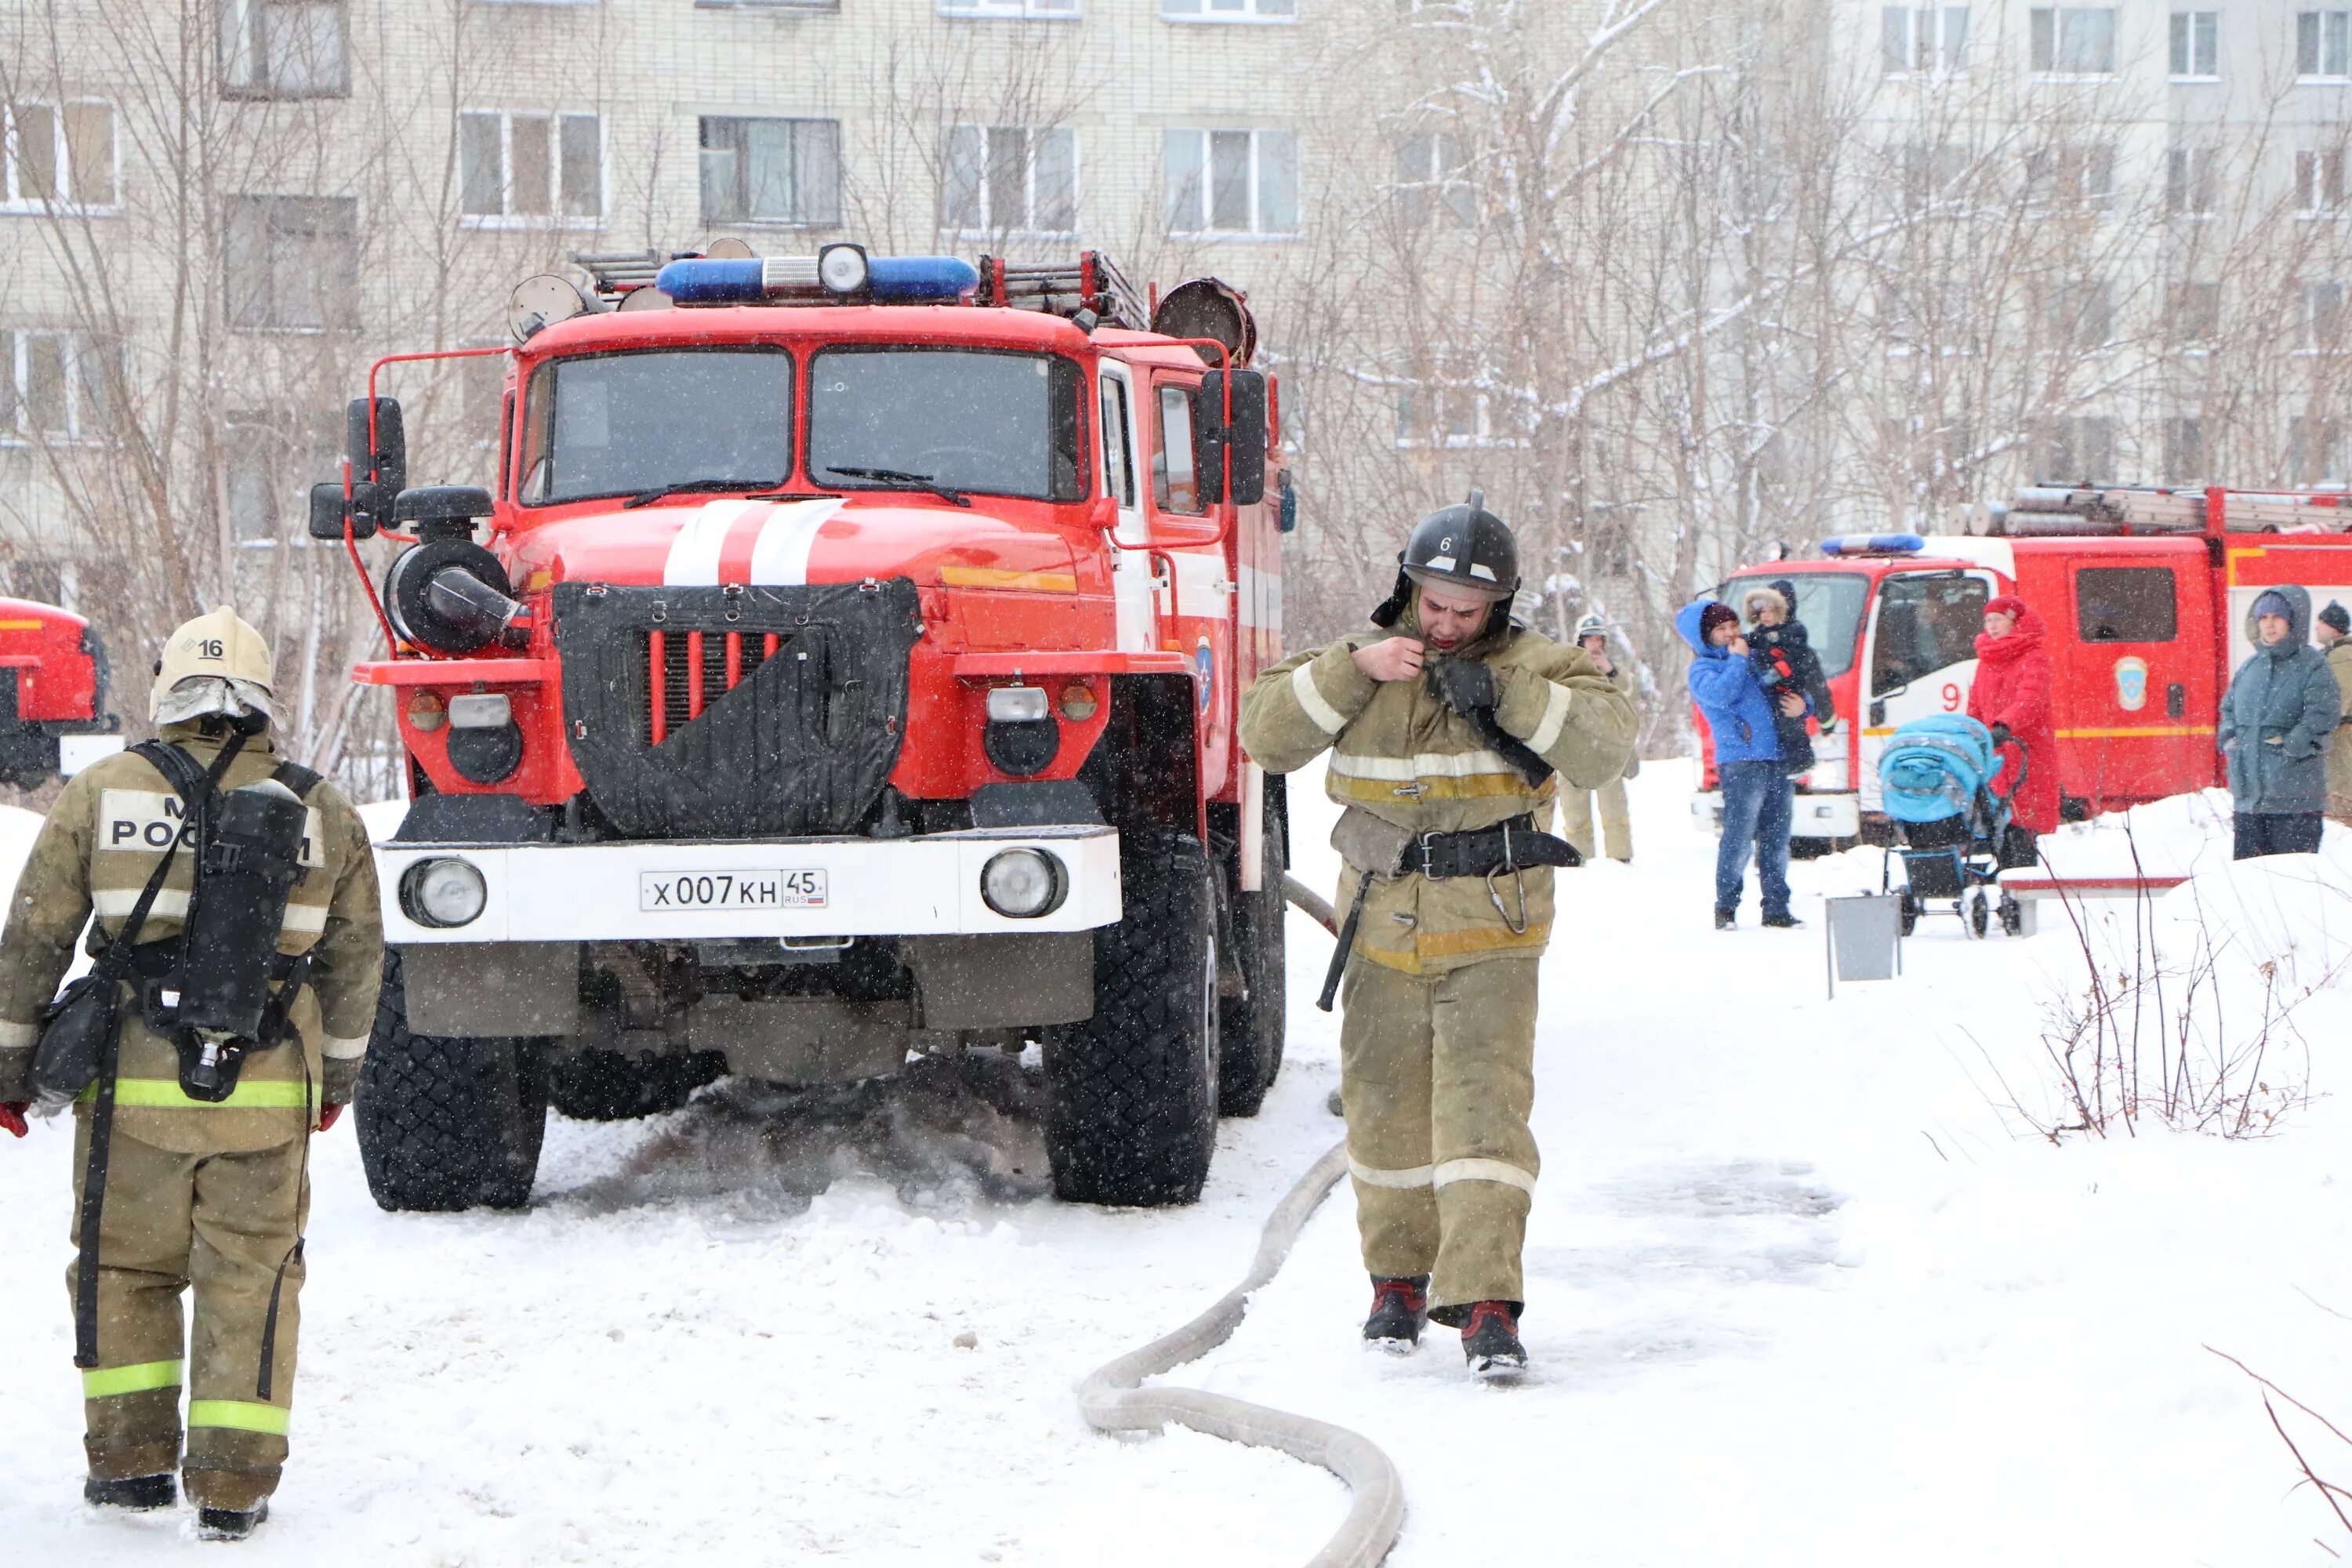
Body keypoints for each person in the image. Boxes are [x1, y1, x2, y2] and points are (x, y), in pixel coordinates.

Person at [0, 608, 383, 1541]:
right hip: (268, 1093)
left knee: (124, 1267)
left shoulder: (102, 791)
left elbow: (35, 940)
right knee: (251, 1277)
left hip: (131, 1092)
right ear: (260, 694)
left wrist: (11, 1069)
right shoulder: (322, 806)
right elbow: (355, 958)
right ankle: (233, 1481)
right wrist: (335, 1085)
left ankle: (130, 1467)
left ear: (169, 684)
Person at [1238, 492, 1635, 1380]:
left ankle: (1487, 1302)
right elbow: (1263, 735)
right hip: (1379, 924)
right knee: (1383, 1113)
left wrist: (1506, 692)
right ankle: (1396, 1283)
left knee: (1484, 1116)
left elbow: (1607, 750)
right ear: (1407, 588)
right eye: (1434, 603)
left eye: (1469, 611)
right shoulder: (1364, 660)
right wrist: (1354, 670)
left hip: (1492, 927)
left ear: (1501, 605)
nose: (1449, 623)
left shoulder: (1546, 665)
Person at [1679, 599, 1808, 930]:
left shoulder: (1755, 653)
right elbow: (1723, 695)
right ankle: (1726, 907)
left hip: (1777, 756)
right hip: (1741, 761)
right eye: (1721, 629)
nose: (1731, 633)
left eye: (1733, 625)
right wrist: (1737, 660)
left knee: (1777, 838)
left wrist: (1803, 707)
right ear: (1704, 637)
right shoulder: (1703, 669)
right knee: (1738, 838)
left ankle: (1777, 907)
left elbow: (1788, 680)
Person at [2221, 586, 2341, 859]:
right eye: (2263, 617)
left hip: (2294, 803)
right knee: (2249, 886)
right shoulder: (2251, 667)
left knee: (2290, 887)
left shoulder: (2313, 665)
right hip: (2249, 803)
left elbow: (2324, 712)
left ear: (2293, 621)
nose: (2269, 624)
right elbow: (2228, 709)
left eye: (2277, 616)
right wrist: (2229, 738)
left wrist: (2293, 745)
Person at [1966, 594, 2059, 867]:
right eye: (1988, 621)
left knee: (2023, 820)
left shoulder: (2034, 658)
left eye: (1998, 620)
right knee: (1998, 819)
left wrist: (2005, 725)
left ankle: (2022, 880)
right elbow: (1975, 703)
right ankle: (2007, 878)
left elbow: (2031, 699)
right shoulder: (1986, 661)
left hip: (2024, 748)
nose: (1992, 626)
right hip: (1995, 751)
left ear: (2014, 622)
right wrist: (1971, 729)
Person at [1561, 612, 1636, 863]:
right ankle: (1578, 858)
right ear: (1580, 641)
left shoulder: (1613, 671)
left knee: (1614, 807)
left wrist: (1611, 672)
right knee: (1574, 811)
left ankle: (1620, 857)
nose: (1595, 645)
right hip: (1573, 749)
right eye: (1589, 639)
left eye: (1599, 640)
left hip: (1606, 749)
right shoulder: (1567, 668)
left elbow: (1628, 694)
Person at [1741, 582, 1836, 776]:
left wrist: (1818, 715)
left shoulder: (1796, 640)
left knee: (1790, 726)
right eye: (1762, 611)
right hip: (1757, 745)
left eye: (1772, 610)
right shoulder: (1754, 643)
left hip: (1787, 696)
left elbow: (1817, 687)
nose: (1765, 616)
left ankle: (1802, 760)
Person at [2321, 601, 2352, 826]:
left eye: (2321, 623)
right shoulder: (2336, 653)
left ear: (2334, 627)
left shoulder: (2341, 655)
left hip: (2341, 737)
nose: (2316, 628)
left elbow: (2339, 698)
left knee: (2341, 801)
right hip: (2339, 736)